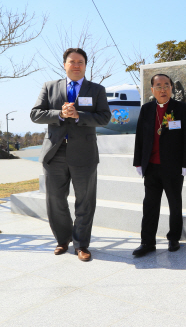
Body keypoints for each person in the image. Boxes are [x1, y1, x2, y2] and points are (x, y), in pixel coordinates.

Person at [30, 48, 111, 261]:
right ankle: (62, 240)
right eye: (72, 61)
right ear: (64, 64)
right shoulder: (49, 87)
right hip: (54, 152)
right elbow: (35, 114)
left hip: (84, 153)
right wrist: (59, 114)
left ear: (85, 65)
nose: (76, 65)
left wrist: (79, 115)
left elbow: (104, 118)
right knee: (55, 200)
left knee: (85, 201)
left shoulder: (97, 89)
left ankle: (81, 244)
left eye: (81, 62)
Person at [132, 74, 186, 256]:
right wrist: (138, 162)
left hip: (173, 166)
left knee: (175, 204)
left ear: (171, 88)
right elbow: (140, 138)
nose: (162, 89)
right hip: (151, 166)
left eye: (166, 85)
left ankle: (174, 238)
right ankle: (147, 242)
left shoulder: (181, 108)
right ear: (152, 89)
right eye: (158, 85)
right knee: (150, 205)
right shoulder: (146, 109)